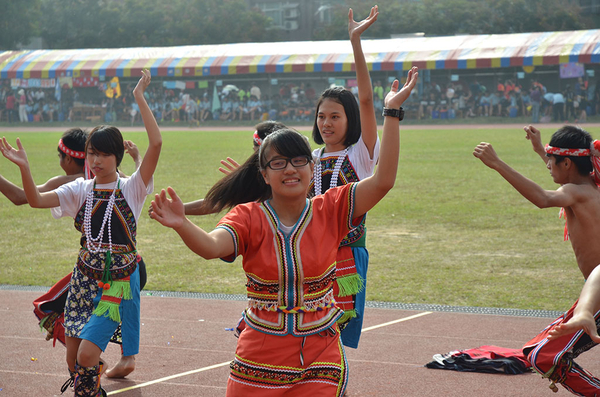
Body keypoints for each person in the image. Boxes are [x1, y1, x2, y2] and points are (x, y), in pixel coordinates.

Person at [149, 69, 418, 395]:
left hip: (319, 355)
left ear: (311, 166)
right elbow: (211, 246)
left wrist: (391, 111)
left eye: (298, 161)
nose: (290, 169)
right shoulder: (248, 216)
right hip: (259, 359)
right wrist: (182, 223)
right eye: (278, 163)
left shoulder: (331, 208)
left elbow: (384, 180)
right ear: (263, 174)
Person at [0, 69, 161, 396]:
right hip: (83, 280)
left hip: (116, 281)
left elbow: (156, 142)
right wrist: (24, 168)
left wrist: (139, 97)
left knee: (88, 355)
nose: (96, 159)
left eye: (103, 154)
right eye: (91, 153)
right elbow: (33, 200)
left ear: (116, 156)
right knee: (75, 364)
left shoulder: (131, 189)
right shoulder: (80, 189)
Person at [473, 125, 600, 395]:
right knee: (537, 353)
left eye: (551, 162)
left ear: (566, 162)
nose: (547, 166)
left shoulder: (574, 192)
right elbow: (563, 174)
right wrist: (540, 150)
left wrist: (497, 164)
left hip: (597, 299)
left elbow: (543, 198)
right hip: (595, 295)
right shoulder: (588, 187)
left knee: (542, 356)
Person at [309, 6, 386, 350]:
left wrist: (355, 41)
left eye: (335, 116)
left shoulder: (361, 153)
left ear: (349, 118)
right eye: (321, 116)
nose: (326, 123)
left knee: (334, 337)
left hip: (346, 257)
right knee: (308, 329)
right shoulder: (310, 158)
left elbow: (368, 101)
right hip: (309, 252)